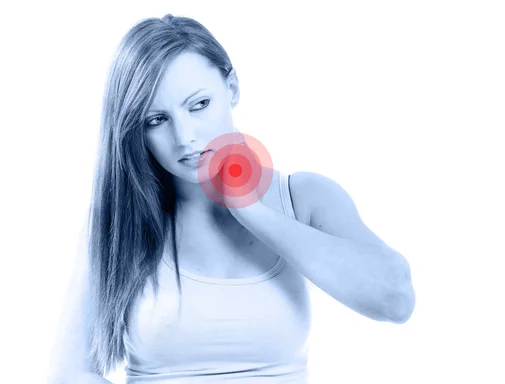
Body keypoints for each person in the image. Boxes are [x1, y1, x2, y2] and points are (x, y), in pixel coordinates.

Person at [48, 14, 416, 384]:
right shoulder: (118, 219)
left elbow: (395, 299)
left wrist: (249, 208)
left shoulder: (304, 197)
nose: (185, 136)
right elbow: (69, 373)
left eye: (199, 104)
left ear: (233, 89)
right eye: (156, 120)